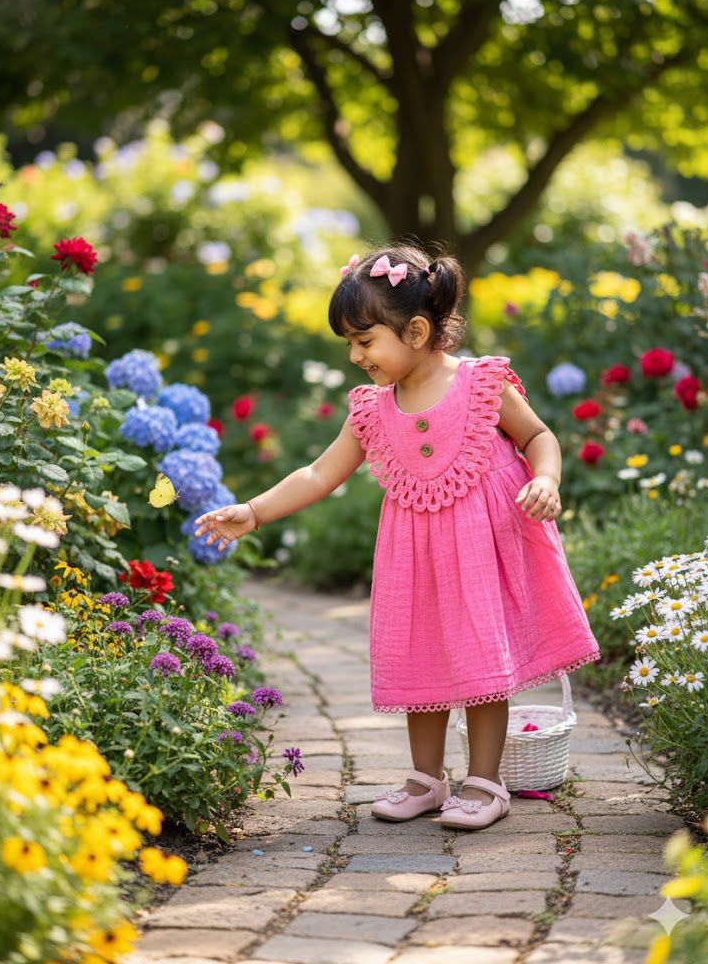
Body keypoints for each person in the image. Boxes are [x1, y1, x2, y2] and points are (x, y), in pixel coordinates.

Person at [194, 243, 601, 831]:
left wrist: (546, 477)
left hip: (482, 549)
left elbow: (539, 436)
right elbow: (318, 473)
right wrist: (253, 512)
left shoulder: (483, 383)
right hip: (417, 559)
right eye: (350, 345)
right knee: (422, 655)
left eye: (364, 341)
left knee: (484, 659)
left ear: (415, 331)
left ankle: (486, 782)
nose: (356, 356)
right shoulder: (372, 410)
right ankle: (426, 778)